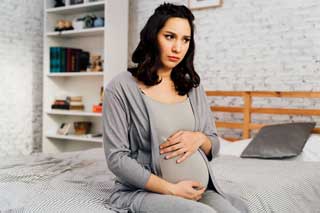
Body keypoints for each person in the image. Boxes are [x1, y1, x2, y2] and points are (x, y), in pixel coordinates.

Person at [103, 3, 248, 213]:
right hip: (145, 192)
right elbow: (117, 159)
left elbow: (214, 145)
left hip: (199, 191)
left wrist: (200, 138)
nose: (178, 48)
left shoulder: (191, 86)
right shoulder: (121, 88)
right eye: (170, 36)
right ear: (153, 37)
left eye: (185, 39)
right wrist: (171, 189)